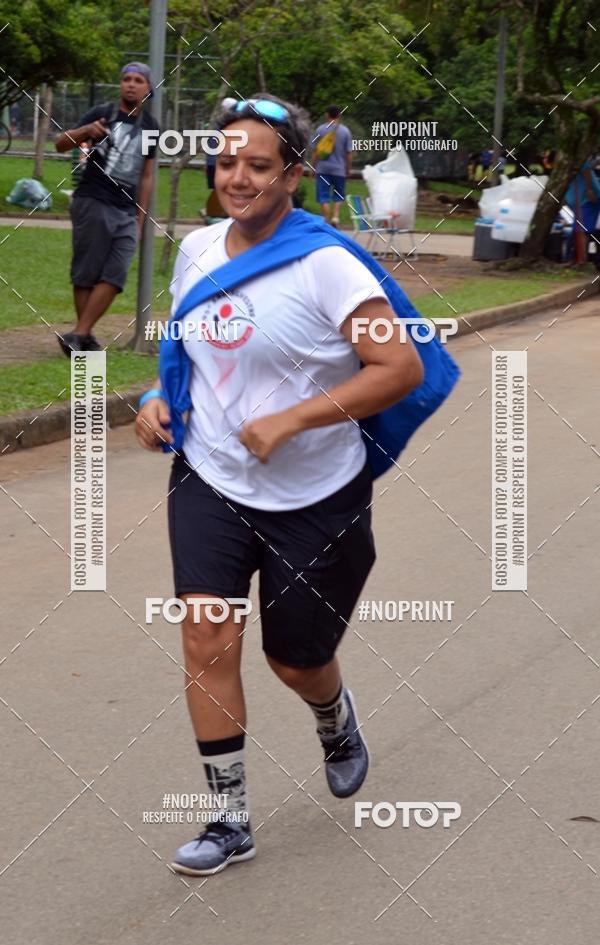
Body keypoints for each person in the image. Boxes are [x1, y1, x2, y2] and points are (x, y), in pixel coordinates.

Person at [134, 93, 429, 876]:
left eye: (258, 165)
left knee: (295, 659)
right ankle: (228, 819)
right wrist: (156, 399)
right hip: (212, 477)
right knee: (205, 633)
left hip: (316, 497)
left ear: (293, 175)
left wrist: (294, 419)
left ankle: (332, 715)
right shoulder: (196, 248)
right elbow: (188, 354)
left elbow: (400, 367)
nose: (238, 176)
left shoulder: (328, 263)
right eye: (226, 161)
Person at [54, 63, 160, 355]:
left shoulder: (151, 127)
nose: (130, 84)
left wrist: (141, 217)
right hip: (93, 200)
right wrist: (86, 130)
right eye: (126, 79)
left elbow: (147, 175)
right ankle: (83, 336)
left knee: (116, 275)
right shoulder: (102, 114)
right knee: (87, 272)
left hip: (126, 210)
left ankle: (79, 333)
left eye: (138, 80)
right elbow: (60, 145)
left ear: (148, 89)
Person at [312, 104, 352, 227]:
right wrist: (348, 168)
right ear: (339, 115)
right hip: (339, 169)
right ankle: (335, 217)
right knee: (338, 194)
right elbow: (348, 153)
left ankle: (325, 220)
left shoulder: (320, 130)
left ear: (327, 115)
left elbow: (315, 151)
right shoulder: (345, 131)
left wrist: (313, 167)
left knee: (323, 195)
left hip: (322, 169)